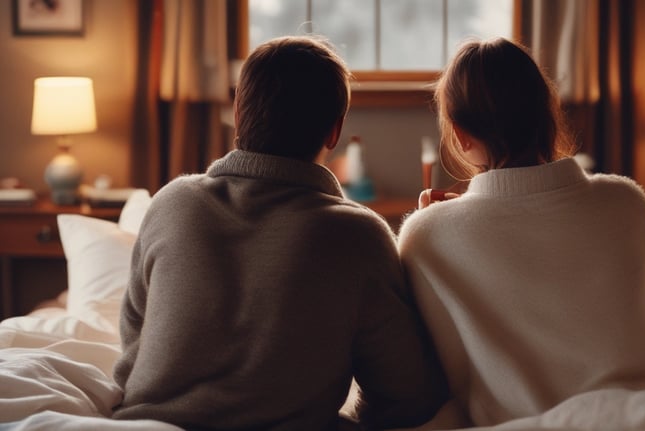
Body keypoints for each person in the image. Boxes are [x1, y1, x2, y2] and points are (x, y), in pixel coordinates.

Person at [112, 36, 447, 430]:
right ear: (334, 131)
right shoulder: (357, 234)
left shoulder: (171, 201)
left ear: (239, 113)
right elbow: (405, 397)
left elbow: (132, 350)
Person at [397, 37, 645, 427]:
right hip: (644, 416)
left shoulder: (425, 236)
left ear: (459, 133)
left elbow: (427, 377)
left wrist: (437, 227)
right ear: (548, 113)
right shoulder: (625, 201)